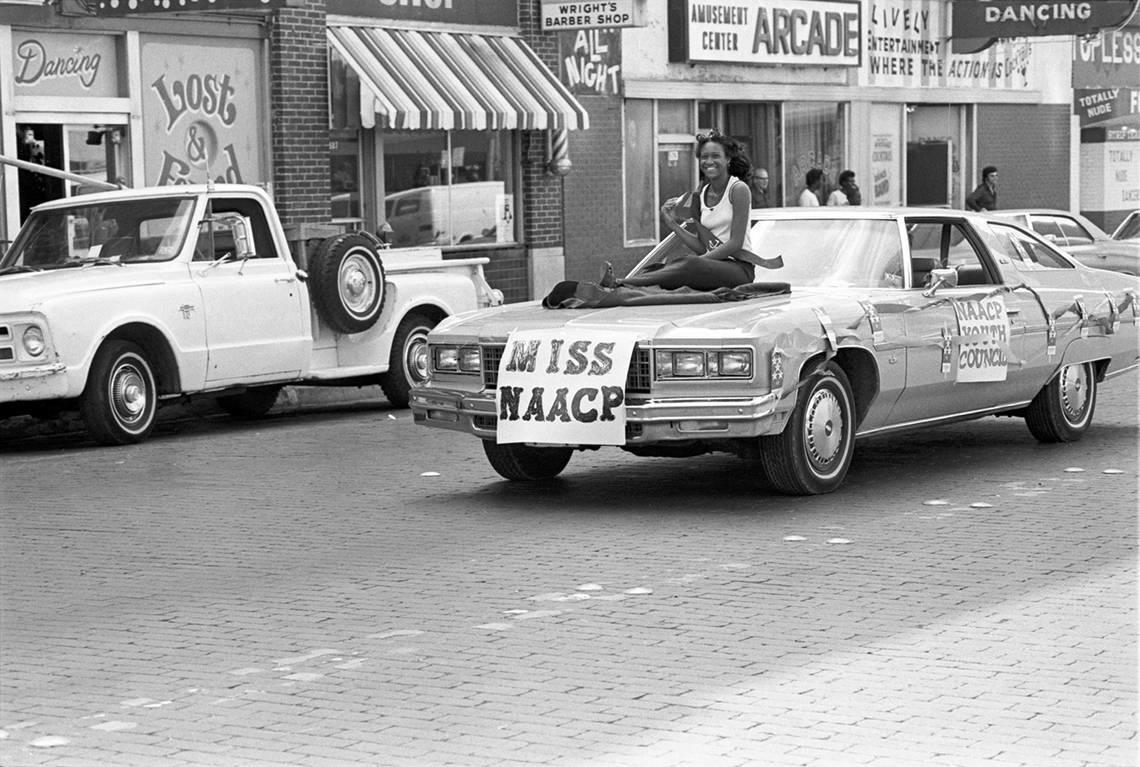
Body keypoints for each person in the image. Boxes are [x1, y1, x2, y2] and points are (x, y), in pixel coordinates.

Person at [602, 131, 759, 291]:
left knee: (689, 263)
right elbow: (703, 246)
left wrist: (700, 261)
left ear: (728, 159)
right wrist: (673, 224)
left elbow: (735, 243)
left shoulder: (738, 189)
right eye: (704, 157)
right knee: (661, 268)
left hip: (739, 269)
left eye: (715, 156)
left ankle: (620, 284)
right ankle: (626, 285)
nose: (709, 161)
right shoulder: (702, 193)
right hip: (712, 267)